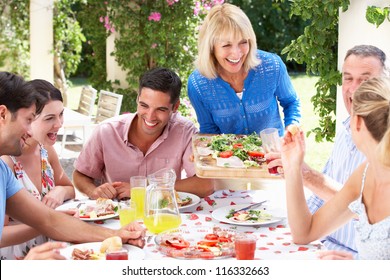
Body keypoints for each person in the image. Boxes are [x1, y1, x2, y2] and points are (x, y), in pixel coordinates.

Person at [0, 72, 145, 260]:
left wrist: (116, 234)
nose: (29, 131)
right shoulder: (7, 164)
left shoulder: (2, 172)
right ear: (2, 114)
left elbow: (48, 220)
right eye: (28, 120)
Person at [267, 45, 389, 258]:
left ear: (357, 122)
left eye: (366, 81)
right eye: (348, 78)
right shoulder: (365, 173)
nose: (353, 89)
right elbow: (304, 233)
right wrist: (293, 166)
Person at [73, 67, 214, 200]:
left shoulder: (184, 131)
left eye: (161, 109)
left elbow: (205, 185)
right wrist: (93, 191)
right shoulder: (106, 131)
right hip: (116, 215)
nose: (150, 116)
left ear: (175, 107)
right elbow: (80, 175)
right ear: (137, 99)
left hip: (162, 214)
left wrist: (144, 188)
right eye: (144, 106)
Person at [187, 3, 301, 136]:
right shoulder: (198, 84)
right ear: (211, 47)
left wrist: (291, 129)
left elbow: (291, 102)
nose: (236, 53)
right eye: (226, 45)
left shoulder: (271, 66)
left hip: (274, 153)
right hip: (229, 157)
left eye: (243, 42)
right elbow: (209, 130)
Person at [0, 79, 75, 259]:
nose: (59, 124)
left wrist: (59, 192)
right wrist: (53, 223)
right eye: (49, 118)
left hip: (47, 249)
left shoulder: (45, 151)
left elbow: (69, 189)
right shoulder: (7, 163)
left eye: (61, 115)